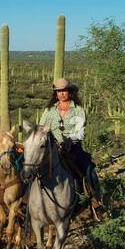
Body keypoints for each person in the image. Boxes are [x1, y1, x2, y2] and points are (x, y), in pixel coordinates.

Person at [36, 76, 103, 217]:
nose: (61, 94)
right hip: (52, 148)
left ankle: (95, 200)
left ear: (70, 92)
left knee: (88, 168)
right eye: (58, 91)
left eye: (64, 91)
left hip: (72, 147)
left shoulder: (78, 110)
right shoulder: (49, 110)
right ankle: (27, 199)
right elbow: (41, 128)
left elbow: (80, 132)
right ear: (55, 93)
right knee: (32, 166)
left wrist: (68, 140)